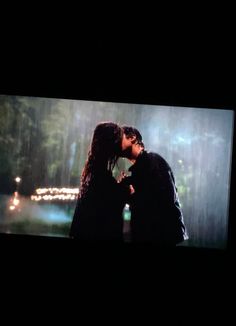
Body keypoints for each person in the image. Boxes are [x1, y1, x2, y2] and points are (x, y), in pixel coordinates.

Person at [119, 125, 188, 246]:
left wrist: (132, 194)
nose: (117, 141)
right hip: (154, 234)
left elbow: (165, 198)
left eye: (120, 137)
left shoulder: (152, 160)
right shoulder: (142, 166)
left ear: (132, 138)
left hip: (160, 235)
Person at [69, 122, 130, 241]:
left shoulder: (92, 173)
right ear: (111, 144)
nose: (122, 145)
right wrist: (124, 189)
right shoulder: (101, 178)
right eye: (120, 140)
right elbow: (109, 209)